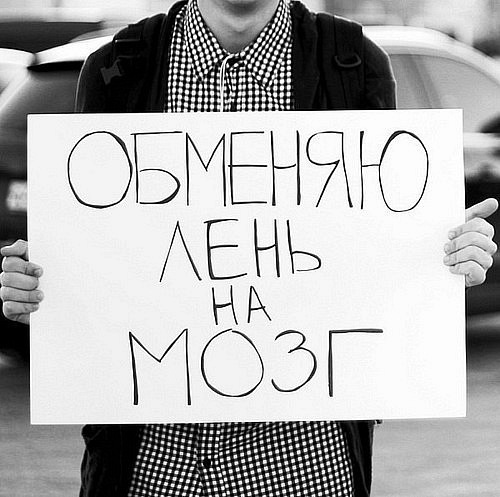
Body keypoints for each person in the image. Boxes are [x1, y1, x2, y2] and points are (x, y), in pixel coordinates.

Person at [0, 0, 498, 496]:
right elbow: (101, 251)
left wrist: (444, 258)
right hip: (150, 465)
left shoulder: (352, 62)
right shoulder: (118, 67)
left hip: (307, 466)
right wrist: (38, 288)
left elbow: (373, 243)